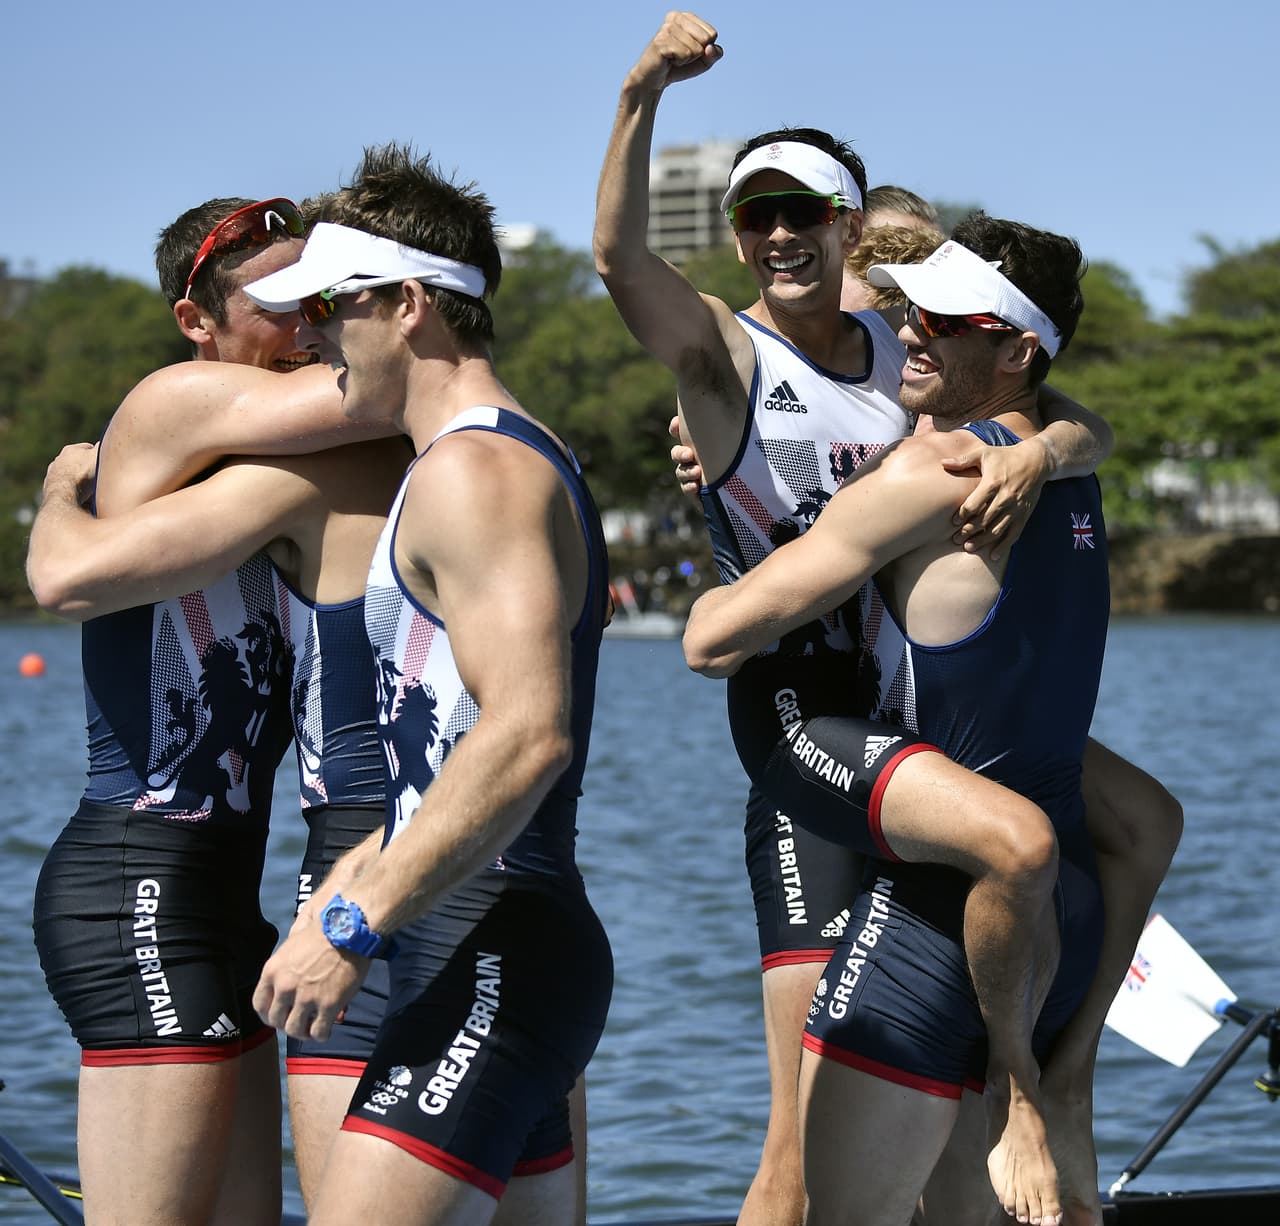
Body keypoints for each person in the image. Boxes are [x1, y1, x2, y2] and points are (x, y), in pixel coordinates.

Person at [595, 14, 1178, 1225]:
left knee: (1134, 816)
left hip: (905, 710)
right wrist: (643, 89)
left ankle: (1045, 1093)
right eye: (753, 215)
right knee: (791, 1152)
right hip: (799, 704)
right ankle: (1033, 1095)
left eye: (803, 214)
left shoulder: (895, 346)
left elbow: (1055, 392)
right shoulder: (727, 357)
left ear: (851, 235)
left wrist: (1056, 441)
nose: (774, 235)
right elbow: (617, 263)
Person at [28, 196, 593, 1223]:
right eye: (281, 303)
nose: (307, 328)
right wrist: (58, 495)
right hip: (144, 882)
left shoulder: (429, 462)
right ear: (194, 321)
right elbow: (63, 580)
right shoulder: (191, 408)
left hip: (358, 883)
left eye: (326, 297)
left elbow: (433, 387)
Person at [682, 214, 1112, 1226]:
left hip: (933, 920)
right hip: (1059, 923)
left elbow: (710, 641)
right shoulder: (1068, 459)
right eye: (908, 309)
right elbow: (1079, 419)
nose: (907, 331)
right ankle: (1046, 1097)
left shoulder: (931, 475)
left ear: (1013, 349)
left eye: (943, 319)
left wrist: (746, 511)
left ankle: (1018, 1098)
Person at [243, 143, 613, 1226]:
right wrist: (357, 872)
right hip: (487, 942)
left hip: (494, 943)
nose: (305, 333)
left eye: (325, 304)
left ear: (410, 303)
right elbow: (445, 748)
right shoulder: (466, 461)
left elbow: (528, 730)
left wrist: (354, 919)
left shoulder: (474, 470)